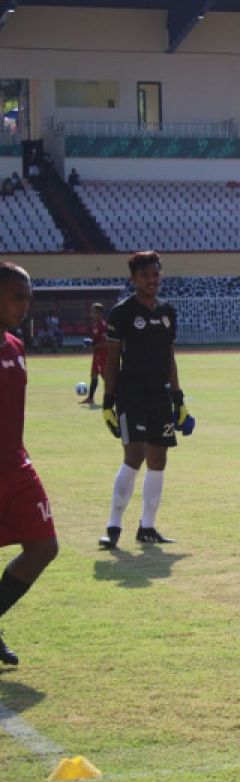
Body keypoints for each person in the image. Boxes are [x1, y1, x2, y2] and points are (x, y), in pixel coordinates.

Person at [98, 251, 188, 549]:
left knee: (159, 460)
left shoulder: (167, 312)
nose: (152, 280)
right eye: (146, 275)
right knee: (134, 455)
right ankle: (113, 526)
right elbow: (112, 361)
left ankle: (147, 527)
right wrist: (108, 401)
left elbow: (170, 357)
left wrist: (179, 398)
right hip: (130, 394)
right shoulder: (121, 313)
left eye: (156, 274)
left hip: (160, 395)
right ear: (133, 279)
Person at [0, 262, 60, 666]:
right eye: (18, 296)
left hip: (16, 467)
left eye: (28, 297)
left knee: (43, 547)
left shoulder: (16, 347)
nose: (26, 304)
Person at [80, 302, 108, 405]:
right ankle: (91, 398)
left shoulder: (103, 325)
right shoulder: (95, 325)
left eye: (94, 312)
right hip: (97, 354)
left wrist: (93, 346)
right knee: (94, 375)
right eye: (92, 312)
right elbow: (95, 339)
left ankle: (116, 397)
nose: (92, 314)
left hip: (103, 355)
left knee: (106, 377)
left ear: (100, 314)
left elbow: (105, 343)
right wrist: (89, 342)